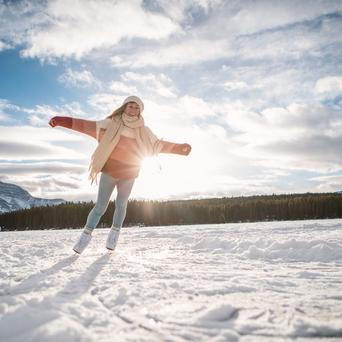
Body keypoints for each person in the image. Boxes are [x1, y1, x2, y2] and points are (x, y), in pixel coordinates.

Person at [49, 96, 191, 254]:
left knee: (121, 204)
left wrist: (179, 148)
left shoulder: (144, 130)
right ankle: (85, 236)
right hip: (110, 171)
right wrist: (62, 121)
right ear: (124, 107)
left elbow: (157, 145)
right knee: (100, 206)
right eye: (130, 106)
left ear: (140, 111)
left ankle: (114, 235)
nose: (133, 109)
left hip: (130, 172)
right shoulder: (111, 123)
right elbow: (87, 126)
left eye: (136, 107)